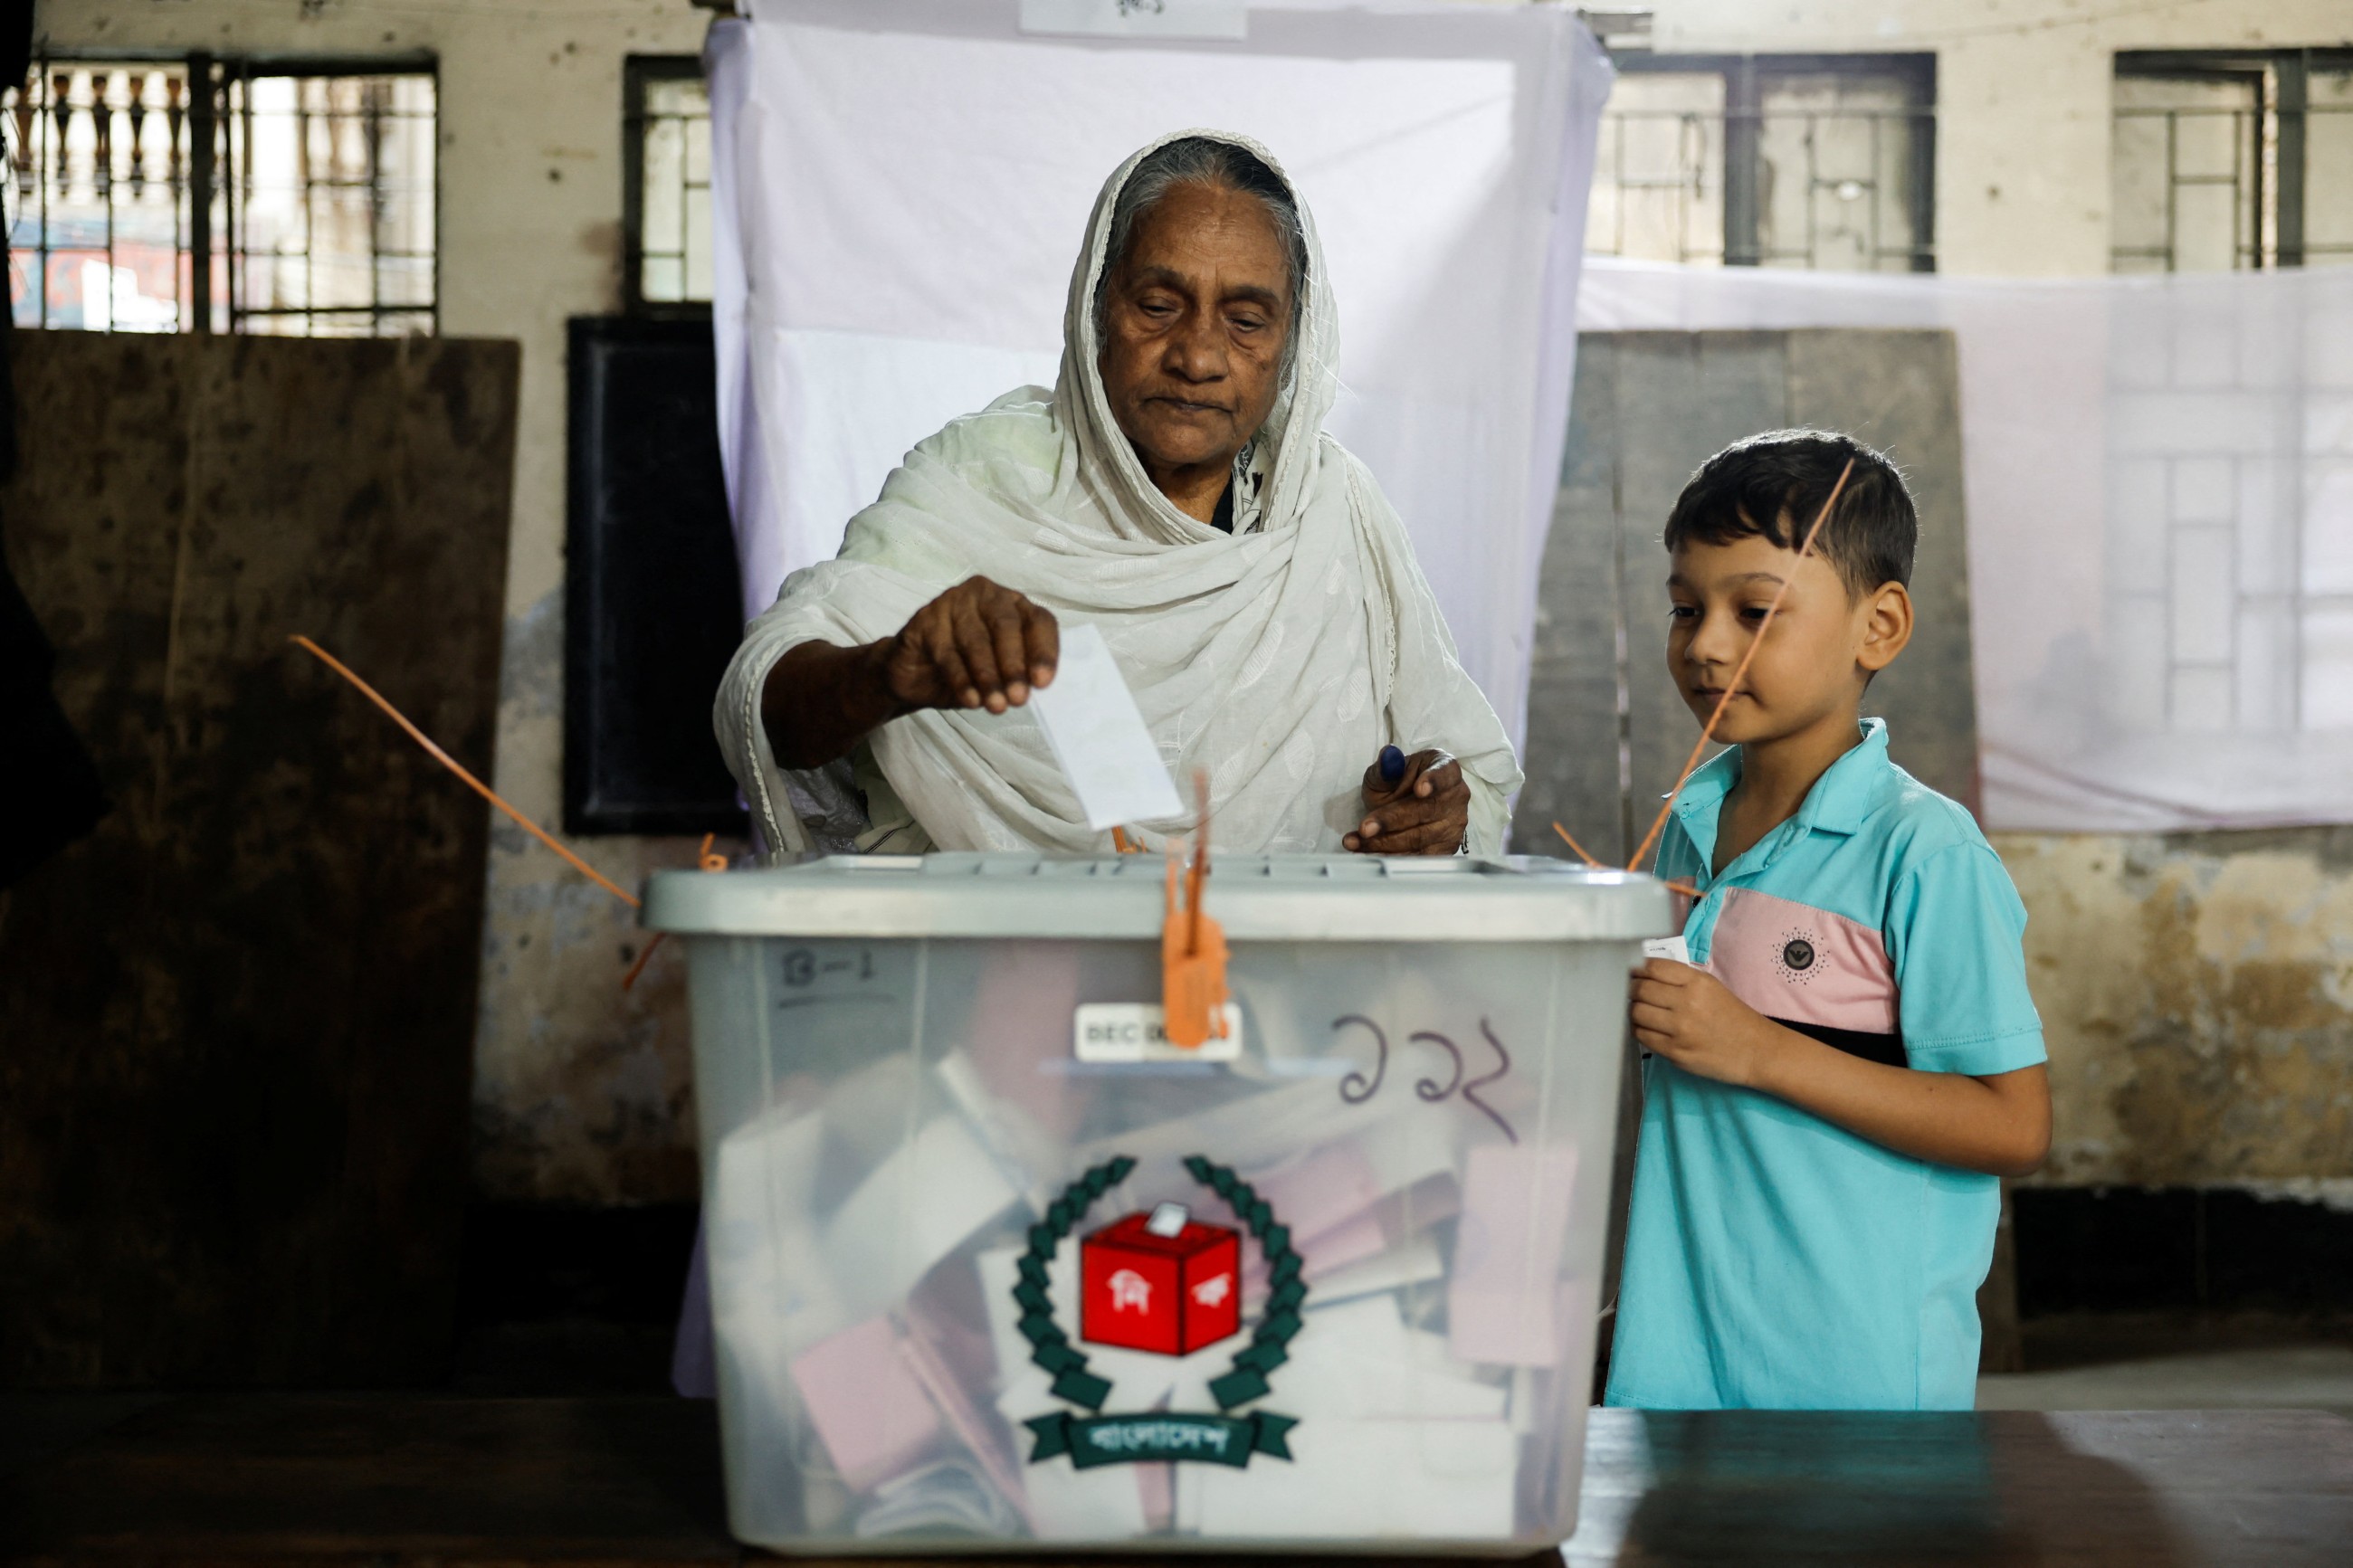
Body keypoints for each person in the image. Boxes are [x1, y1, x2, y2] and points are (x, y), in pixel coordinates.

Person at [712, 132, 1519, 859]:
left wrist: (1429, 813)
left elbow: (1466, 776)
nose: (1199, 355)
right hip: (996, 992)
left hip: (1284, 1001)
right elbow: (769, 702)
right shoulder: (985, 477)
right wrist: (887, 671)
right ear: (1095, 309)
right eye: (1159, 306)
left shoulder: (1331, 511)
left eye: (1245, 320)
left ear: (1293, 343)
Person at [1604, 430, 2052, 1411]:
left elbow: (2012, 1124)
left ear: (1878, 626)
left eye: (1753, 610)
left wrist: (1757, 1049)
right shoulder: (1689, 826)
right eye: (1685, 607)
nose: (1706, 642)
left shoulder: (1921, 852)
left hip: (1854, 1377)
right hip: (1679, 1356)